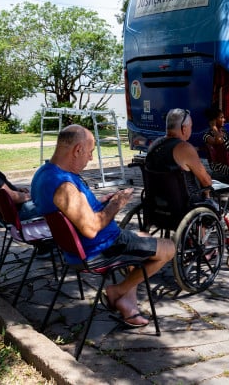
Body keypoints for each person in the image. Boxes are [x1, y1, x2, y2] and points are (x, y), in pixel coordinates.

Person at [31, 125, 175, 328]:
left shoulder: (43, 174)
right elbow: (90, 228)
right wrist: (117, 203)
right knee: (169, 248)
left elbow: (73, 210)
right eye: (89, 152)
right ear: (77, 149)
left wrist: (99, 203)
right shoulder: (63, 185)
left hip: (86, 246)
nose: (90, 158)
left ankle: (128, 304)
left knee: (141, 236)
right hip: (99, 249)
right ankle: (117, 291)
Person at [146, 108, 214, 203]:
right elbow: (206, 181)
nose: (191, 129)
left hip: (156, 202)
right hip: (185, 204)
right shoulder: (184, 148)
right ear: (184, 128)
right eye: (191, 126)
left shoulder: (154, 144)